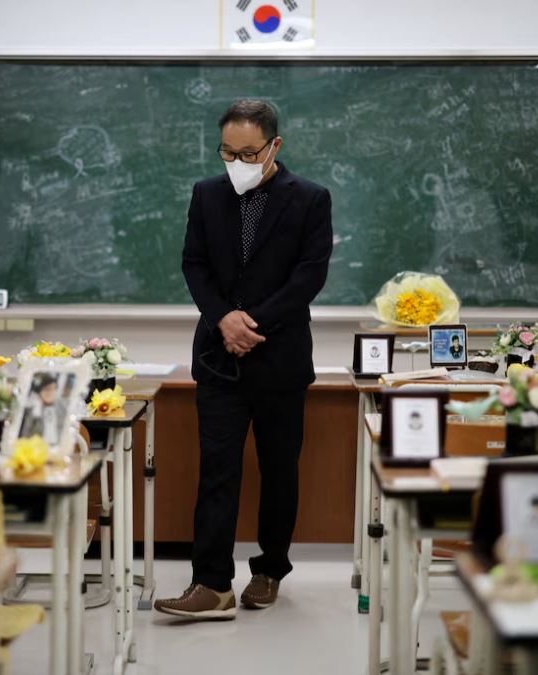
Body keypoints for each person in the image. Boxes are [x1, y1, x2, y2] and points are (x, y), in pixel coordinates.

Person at [155, 100, 332, 620]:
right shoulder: (206, 194)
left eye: (248, 152)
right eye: (227, 152)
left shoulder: (310, 199)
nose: (236, 162)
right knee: (217, 471)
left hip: (279, 358)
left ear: (275, 146)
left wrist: (249, 323)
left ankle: (270, 569)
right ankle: (211, 584)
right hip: (217, 358)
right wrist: (222, 319)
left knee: (280, 472)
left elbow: (309, 275)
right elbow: (193, 263)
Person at [19, 373, 68, 445]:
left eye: (53, 389)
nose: (50, 393)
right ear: (39, 392)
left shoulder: (62, 408)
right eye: (47, 389)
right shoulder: (31, 410)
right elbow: (25, 435)